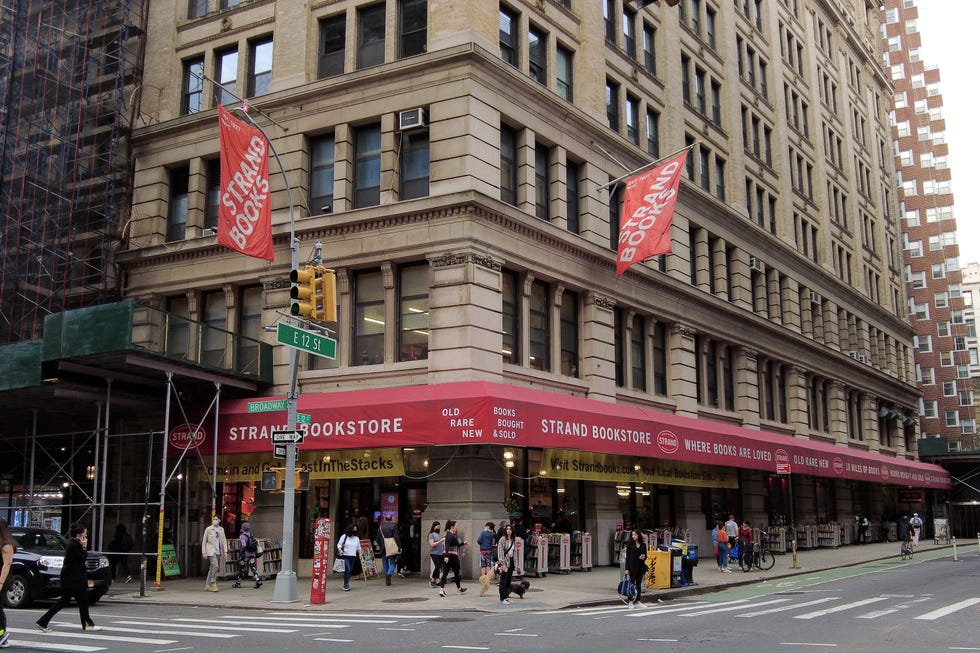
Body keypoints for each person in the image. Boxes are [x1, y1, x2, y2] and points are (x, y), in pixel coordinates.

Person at [36, 523, 102, 633]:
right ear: (79, 535)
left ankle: (43, 621)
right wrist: (84, 547)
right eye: (85, 534)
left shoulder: (74, 544)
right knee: (77, 600)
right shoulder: (74, 545)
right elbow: (81, 558)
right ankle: (87, 623)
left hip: (72, 578)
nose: (86, 537)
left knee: (78, 601)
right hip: (73, 579)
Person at [437, 519, 468, 597]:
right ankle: (458, 589)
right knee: (456, 573)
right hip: (452, 556)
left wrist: (463, 543)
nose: (457, 527)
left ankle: (442, 589)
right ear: (452, 527)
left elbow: (456, 545)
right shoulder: (450, 535)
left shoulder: (449, 535)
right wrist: (447, 556)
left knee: (445, 573)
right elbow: (447, 545)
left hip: (447, 555)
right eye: (456, 526)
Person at [0, 518, 16, 648]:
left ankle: (2, 635)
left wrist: (0, 583)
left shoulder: (6, 544)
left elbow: (7, 564)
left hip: (3, 578)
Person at [200, 516, 227, 592]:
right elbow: (204, 541)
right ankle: (213, 582)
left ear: (219, 520)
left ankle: (207, 585)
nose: (215, 520)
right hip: (211, 551)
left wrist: (225, 551)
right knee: (215, 566)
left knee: (212, 568)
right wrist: (204, 552)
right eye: (214, 519)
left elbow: (224, 540)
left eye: (216, 519)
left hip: (218, 551)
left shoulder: (221, 529)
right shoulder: (208, 529)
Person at [623, 528, 647, 608]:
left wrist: (643, 557)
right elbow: (628, 557)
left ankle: (638, 601)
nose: (634, 536)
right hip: (632, 567)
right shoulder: (629, 545)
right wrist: (626, 569)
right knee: (631, 584)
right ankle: (630, 601)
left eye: (635, 535)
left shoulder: (643, 545)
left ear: (638, 535)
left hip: (640, 566)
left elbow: (645, 555)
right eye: (632, 535)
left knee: (639, 585)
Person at [234, 521, 262, 589]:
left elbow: (243, 545)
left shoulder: (242, 536)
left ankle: (238, 582)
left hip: (245, 555)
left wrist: (241, 552)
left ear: (242, 528)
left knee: (241, 568)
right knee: (253, 568)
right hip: (252, 554)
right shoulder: (251, 534)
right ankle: (257, 580)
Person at [376, 513, 400, 586]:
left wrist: (381, 544)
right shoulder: (394, 526)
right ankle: (389, 573)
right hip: (391, 546)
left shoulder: (381, 527)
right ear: (391, 519)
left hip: (383, 547)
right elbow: (396, 537)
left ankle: (387, 575)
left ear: (385, 519)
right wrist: (399, 546)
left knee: (384, 562)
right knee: (392, 562)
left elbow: (377, 538)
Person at [496, 523, 516, 604]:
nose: (509, 531)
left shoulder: (513, 539)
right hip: (505, 561)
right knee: (503, 581)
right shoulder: (502, 539)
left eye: (510, 529)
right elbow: (500, 552)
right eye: (507, 529)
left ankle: (506, 596)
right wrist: (502, 563)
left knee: (508, 580)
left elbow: (515, 552)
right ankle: (502, 598)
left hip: (511, 561)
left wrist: (516, 564)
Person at [337, 523, 360, 591]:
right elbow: (339, 545)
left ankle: (346, 583)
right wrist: (340, 550)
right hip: (345, 556)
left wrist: (361, 555)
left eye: (356, 530)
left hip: (353, 556)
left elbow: (359, 548)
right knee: (348, 569)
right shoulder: (344, 536)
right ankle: (346, 585)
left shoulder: (356, 538)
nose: (355, 531)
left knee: (349, 571)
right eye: (353, 530)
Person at [477, 521, 496, 596]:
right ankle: (488, 579)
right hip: (489, 550)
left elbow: (478, 541)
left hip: (482, 551)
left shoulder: (483, 533)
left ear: (487, 527)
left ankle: (483, 580)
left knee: (483, 565)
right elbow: (495, 540)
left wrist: (482, 544)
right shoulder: (492, 534)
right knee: (488, 565)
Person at [427, 520, 445, 588]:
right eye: (437, 526)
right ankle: (432, 580)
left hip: (440, 553)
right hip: (434, 553)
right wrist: (440, 541)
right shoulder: (431, 535)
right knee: (437, 566)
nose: (438, 528)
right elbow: (432, 545)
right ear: (434, 527)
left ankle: (437, 580)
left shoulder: (438, 534)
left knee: (439, 567)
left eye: (439, 526)